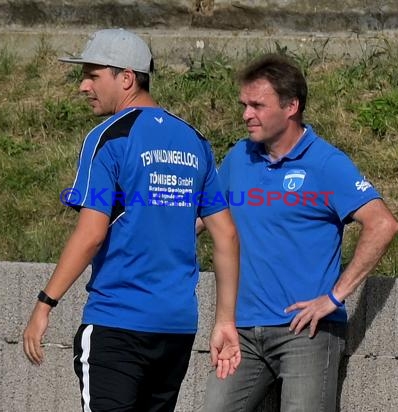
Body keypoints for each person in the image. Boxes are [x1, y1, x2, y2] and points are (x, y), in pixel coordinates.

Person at [22, 28, 241, 412]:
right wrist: (224, 320)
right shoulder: (194, 140)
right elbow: (225, 235)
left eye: (92, 75)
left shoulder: (108, 138)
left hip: (118, 324)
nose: (82, 86)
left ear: (126, 77)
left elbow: (90, 234)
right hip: (176, 329)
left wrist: (44, 303)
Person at [201, 53, 398, 411]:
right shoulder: (239, 156)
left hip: (305, 334)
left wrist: (335, 297)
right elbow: (204, 217)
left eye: (257, 105)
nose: (246, 114)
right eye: (244, 104)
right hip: (240, 332)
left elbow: (383, 224)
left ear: (291, 105)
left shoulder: (326, 163)